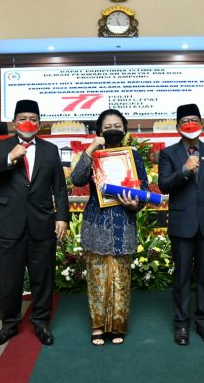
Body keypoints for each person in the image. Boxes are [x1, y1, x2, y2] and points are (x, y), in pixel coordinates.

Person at [0, 99, 69, 347]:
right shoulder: (0, 146)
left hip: (42, 223)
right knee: (9, 279)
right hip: (9, 224)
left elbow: (59, 187)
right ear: (14, 122)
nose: (28, 123)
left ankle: (41, 323)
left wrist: (62, 217)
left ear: (39, 123)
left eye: (33, 119)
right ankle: (9, 324)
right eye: (23, 118)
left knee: (43, 278)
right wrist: (9, 157)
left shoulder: (50, 150)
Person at [70, 109, 149, 346]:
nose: (113, 129)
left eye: (118, 125)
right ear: (99, 131)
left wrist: (135, 205)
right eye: (108, 126)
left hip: (123, 224)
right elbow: (76, 180)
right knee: (97, 277)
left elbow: (143, 191)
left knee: (120, 278)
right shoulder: (94, 156)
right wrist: (91, 148)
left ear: (124, 130)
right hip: (98, 223)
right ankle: (97, 325)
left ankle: (118, 326)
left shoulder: (133, 156)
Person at [158, 103, 204, 346]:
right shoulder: (169, 154)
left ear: (202, 124)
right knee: (181, 278)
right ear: (177, 126)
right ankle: (181, 326)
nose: (190, 124)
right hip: (182, 224)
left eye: (195, 120)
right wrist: (185, 171)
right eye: (185, 121)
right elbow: (165, 186)